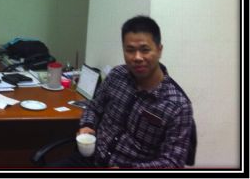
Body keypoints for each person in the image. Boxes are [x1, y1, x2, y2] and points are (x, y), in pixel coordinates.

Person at [47, 15, 194, 168]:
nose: (137, 57)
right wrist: (88, 125)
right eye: (130, 50)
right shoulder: (117, 75)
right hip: (90, 160)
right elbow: (94, 107)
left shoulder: (177, 105)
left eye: (145, 50)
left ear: (159, 50)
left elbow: (173, 162)